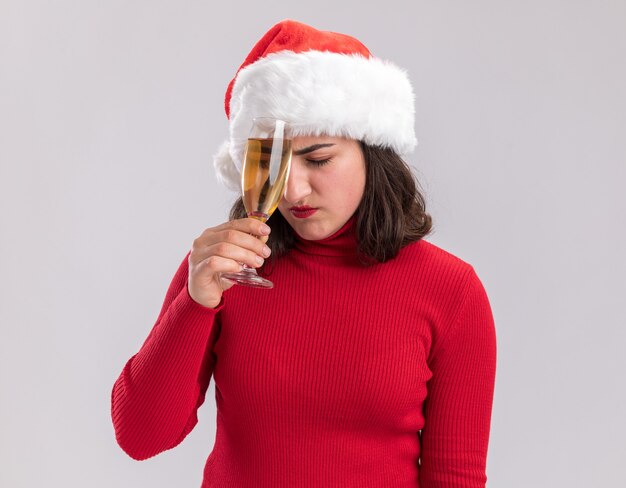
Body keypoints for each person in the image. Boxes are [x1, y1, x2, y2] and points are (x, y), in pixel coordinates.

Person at [111, 19, 497, 488]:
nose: (292, 188)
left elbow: (454, 478)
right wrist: (194, 304)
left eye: (318, 159)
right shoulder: (221, 269)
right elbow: (140, 437)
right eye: (269, 160)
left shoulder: (450, 291)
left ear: (372, 153)